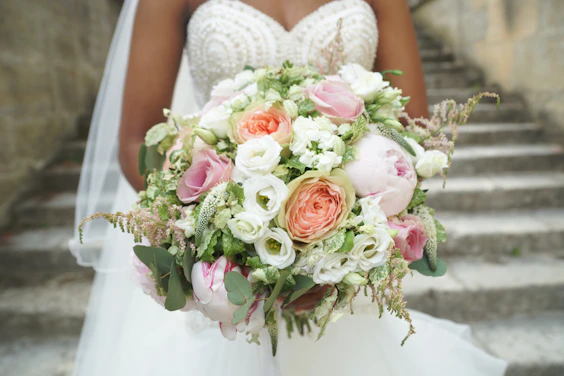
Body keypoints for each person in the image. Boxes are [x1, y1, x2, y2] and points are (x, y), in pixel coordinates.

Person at [71, 1, 508, 375]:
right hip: (226, 274)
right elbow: (137, 142)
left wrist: (335, 254)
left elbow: (414, 135)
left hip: (343, 276)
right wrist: (229, 250)